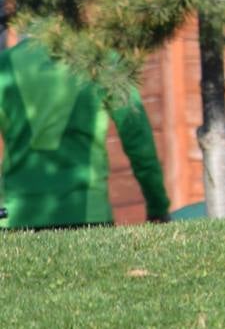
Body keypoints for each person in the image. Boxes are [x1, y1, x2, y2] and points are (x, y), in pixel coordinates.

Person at [0, 38, 170, 229]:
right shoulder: (103, 61)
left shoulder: (5, 63)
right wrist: (157, 205)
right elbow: (138, 138)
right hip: (88, 214)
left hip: (17, 217)